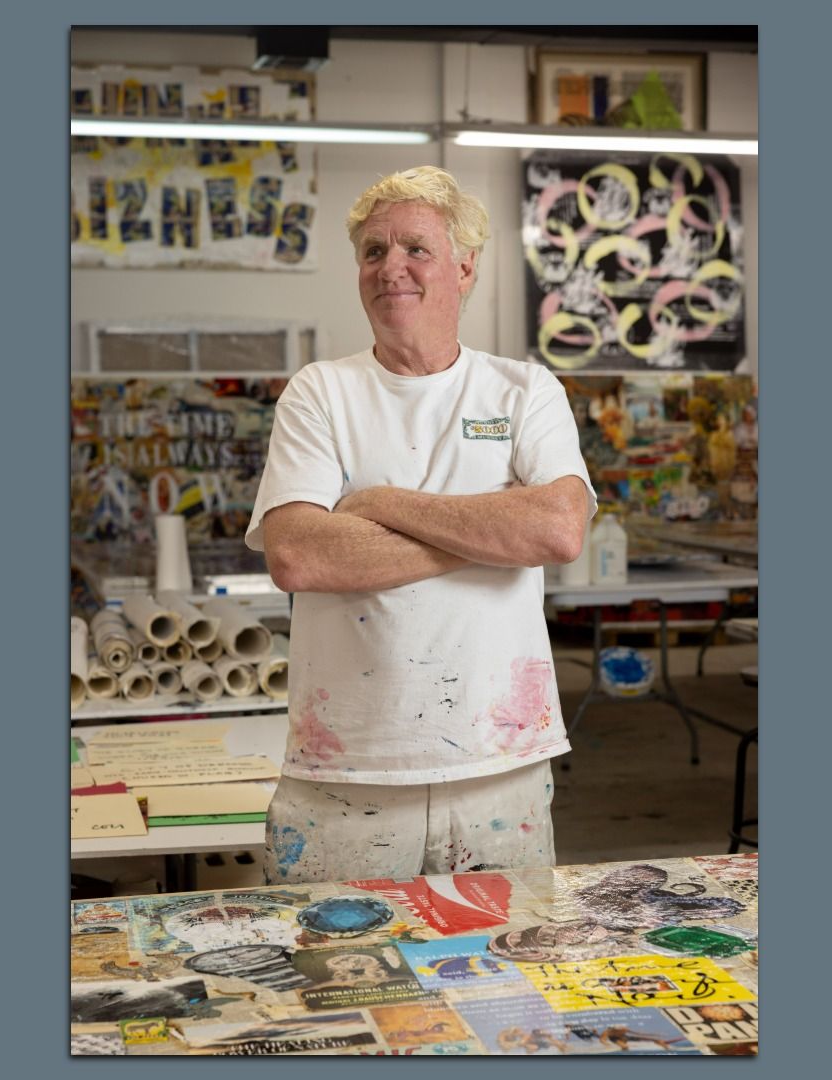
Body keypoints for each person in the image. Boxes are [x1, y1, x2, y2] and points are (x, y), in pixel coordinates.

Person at [246, 166, 596, 884]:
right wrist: (492, 534)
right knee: (332, 985)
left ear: (465, 267)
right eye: (373, 253)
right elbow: (300, 556)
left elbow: (558, 531)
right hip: (346, 772)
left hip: (500, 767)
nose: (390, 269)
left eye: (415, 249)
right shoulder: (320, 393)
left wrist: (377, 505)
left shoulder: (524, 390)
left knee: (506, 976)